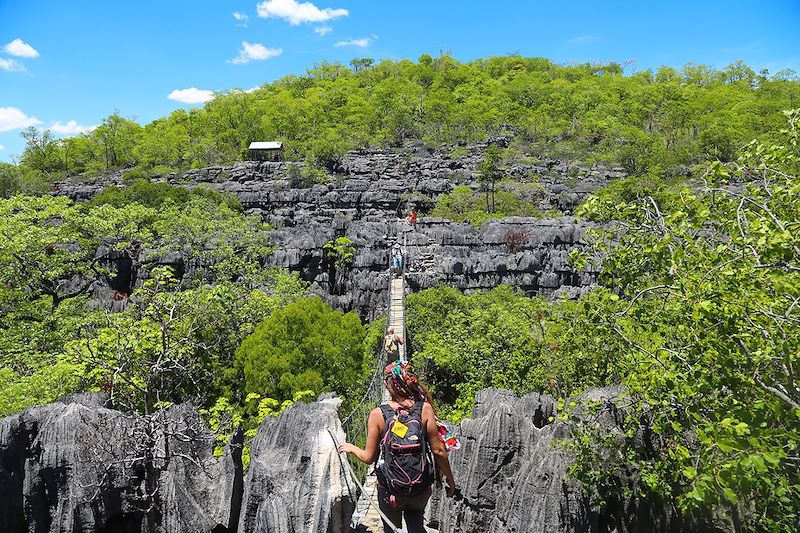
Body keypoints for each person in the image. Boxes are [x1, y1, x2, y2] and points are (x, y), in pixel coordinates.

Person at [338, 361, 457, 533]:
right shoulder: (425, 409)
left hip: (390, 490)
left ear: (389, 384)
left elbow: (369, 458)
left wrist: (351, 448)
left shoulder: (378, 414)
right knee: (416, 522)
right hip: (419, 487)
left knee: (392, 529)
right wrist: (450, 481)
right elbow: (438, 451)